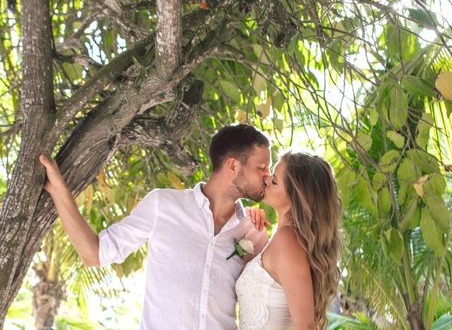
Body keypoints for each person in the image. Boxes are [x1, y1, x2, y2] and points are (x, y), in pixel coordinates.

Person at [40, 123, 271, 330]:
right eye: (261, 167)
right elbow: (95, 253)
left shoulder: (252, 231)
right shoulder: (164, 205)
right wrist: (59, 190)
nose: (267, 177)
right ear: (232, 166)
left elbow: (266, 299)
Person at [236, 150, 342, 330]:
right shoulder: (282, 239)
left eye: (275, 181)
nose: (267, 179)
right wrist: (248, 226)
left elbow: (305, 326)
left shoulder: (288, 241)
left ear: (297, 198)